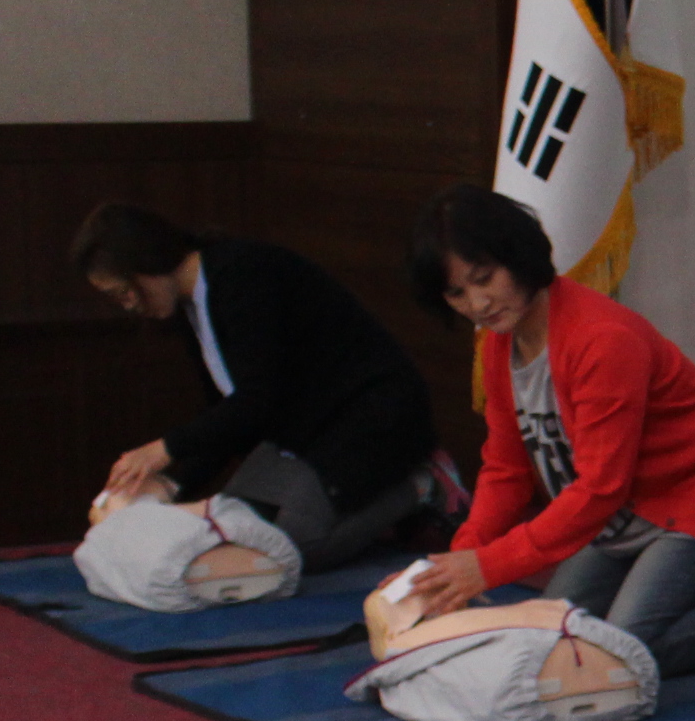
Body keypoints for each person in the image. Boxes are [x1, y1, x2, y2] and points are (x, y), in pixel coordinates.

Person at [394, 186, 695, 676]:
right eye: (456, 293)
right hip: (625, 516)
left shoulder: (601, 338)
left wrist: (487, 567)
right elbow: (506, 469)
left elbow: (601, 487)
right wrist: (455, 563)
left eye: (484, 278)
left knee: (617, 655)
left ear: (518, 256)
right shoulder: (497, 345)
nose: (478, 303)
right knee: (550, 638)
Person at [73, 203, 439, 571]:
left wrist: (166, 448)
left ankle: (423, 486)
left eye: (124, 292)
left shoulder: (243, 274)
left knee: (288, 551)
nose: (128, 305)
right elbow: (227, 415)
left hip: (369, 416)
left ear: (146, 263)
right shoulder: (191, 308)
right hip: (304, 430)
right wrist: (172, 483)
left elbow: (257, 400)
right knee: (243, 532)